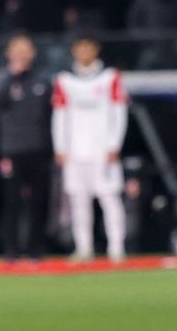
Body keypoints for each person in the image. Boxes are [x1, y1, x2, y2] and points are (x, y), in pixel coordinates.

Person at [52, 36, 129, 262]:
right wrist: (60, 146)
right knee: (78, 201)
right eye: (79, 47)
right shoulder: (64, 80)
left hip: (103, 149)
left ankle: (116, 247)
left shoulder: (110, 77)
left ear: (96, 49)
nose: (84, 51)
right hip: (75, 149)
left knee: (109, 197)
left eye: (88, 46)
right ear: (74, 51)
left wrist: (115, 143)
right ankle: (83, 247)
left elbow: (119, 111)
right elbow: (60, 114)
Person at [0, 35, 53, 261]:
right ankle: (11, 250)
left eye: (26, 48)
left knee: (39, 201)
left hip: (39, 148)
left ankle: (36, 249)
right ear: (8, 52)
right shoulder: (2, 77)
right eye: (17, 48)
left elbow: (51, 114)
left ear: (33, 52)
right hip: (12, 149)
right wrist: (11, 75)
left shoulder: (42, 79)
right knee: (12, 201)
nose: (22, 53)